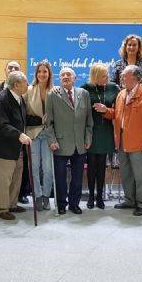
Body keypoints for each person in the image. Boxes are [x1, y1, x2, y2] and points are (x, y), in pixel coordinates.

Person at [98, 65, 142, 216]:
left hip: (140, 144)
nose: (121, 78)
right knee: (126, 174)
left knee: (141, 176)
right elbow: (117, 115)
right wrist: (106, 111)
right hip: (122, 142)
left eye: (124, 75)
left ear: (134, 77)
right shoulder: (121, 94)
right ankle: (130, 200)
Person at [45, 67, 93, 215]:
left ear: (75, 78)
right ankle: (61, 204)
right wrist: (51, 140)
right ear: (59, 79)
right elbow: (48, 122)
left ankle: (74, 204)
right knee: (60, 178)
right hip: (60, 143)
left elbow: (88, 120)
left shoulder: (84, 94)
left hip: (80, 144)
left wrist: (88, 138)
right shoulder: (53, 95)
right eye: (62, 75)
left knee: (77, 178)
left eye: (69, 74)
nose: (65, 77)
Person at [0, 71, 32, 220]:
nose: (28, 84)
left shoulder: (19, 98)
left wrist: (42, 120)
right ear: (16, 85)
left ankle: (12, 204)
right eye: (25, 82)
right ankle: (0, 209)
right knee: (2, 180)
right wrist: (20, 135)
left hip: (16, 147)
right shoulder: (3, 99)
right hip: (3, 147)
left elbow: (22, 119)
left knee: (15, 177)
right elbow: (2, 125)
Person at [81, 63, 120, 210]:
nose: (107, 77)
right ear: (96, 76)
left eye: (107, 75)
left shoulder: (112, 88)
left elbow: (119, 109)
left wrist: (106, 109)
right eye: (104, 76)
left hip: (106, 131)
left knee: (102, 166)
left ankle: (100, 197)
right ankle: (91, 196)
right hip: (91, 132)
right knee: (91, 166)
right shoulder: (85, 87)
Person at [23, 60, 54, 211]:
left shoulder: (55, 91)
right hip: (33, 134)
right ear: (36, 74)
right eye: (39, 71)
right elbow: (23, 114)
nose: (42, 74)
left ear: (49, 74)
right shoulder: (29, 90)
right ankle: (37, 196)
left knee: (48, 168)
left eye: (45, 71)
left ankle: (47, 196)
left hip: (48, 135)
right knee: (34, 167)